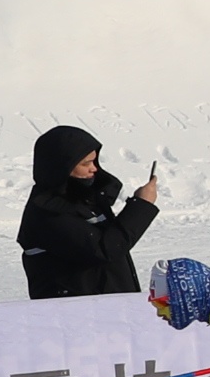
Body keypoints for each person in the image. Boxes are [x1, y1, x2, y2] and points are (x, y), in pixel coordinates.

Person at [17, 123, 159, 297]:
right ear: (63, 167)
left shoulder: (84, 198)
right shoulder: (48, 212)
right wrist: (141, 205)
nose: (94, 168)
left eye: (94, 160)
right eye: (86, 163)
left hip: (105, 309)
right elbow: (105, 249)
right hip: (74, 316)